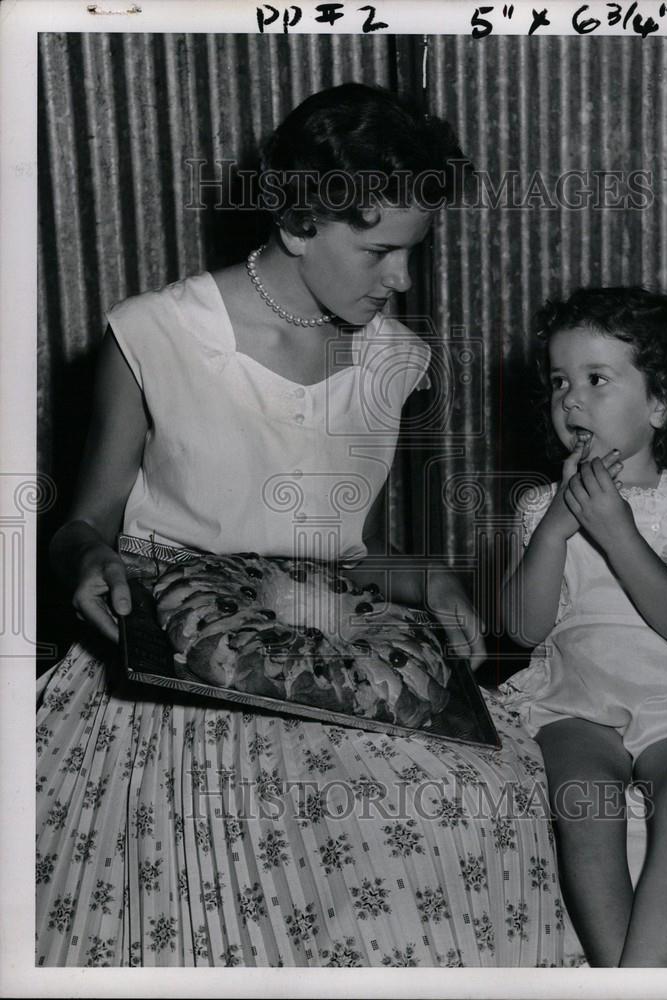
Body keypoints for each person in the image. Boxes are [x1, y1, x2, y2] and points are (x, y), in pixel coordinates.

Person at [36, 83, 563, 968]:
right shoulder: (155, 332)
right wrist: (89, 554)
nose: (399, 280)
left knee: (487, 809)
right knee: (234, 860)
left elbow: (342, 550)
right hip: (174, 664)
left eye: (411, 253)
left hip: (332, 653)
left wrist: (427, 576)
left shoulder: (397, 358)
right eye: (378, 252)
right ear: (297, 224)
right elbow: (82, 518)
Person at [498, 286, 667, 968]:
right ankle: (629, 978)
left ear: (658, 403)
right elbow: (522, 629)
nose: (571, 400)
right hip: (575, 701)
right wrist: (557, 530)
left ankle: (641, 976)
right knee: (583, 805)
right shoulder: (537, 508)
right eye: (560, 382)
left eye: (596, 380)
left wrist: (618, 532)